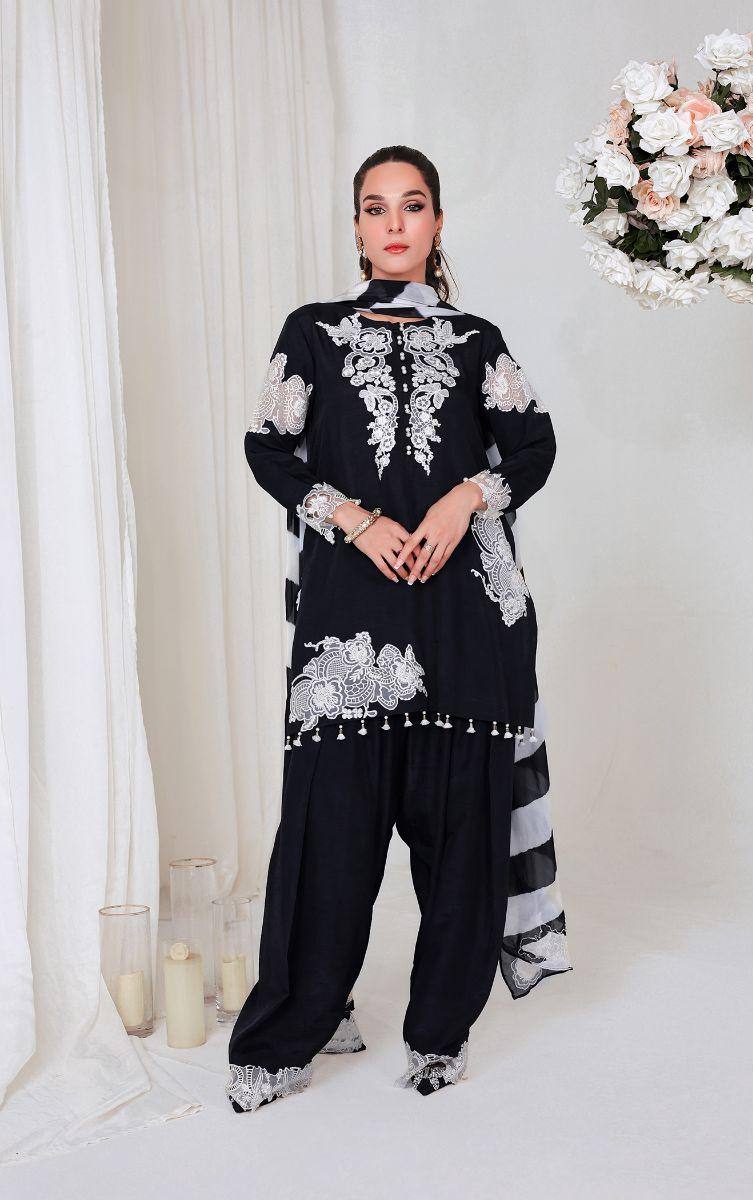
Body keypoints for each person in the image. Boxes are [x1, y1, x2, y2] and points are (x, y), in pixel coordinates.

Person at [226, 145, 572, 1112]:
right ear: (355, 226)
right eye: (375, 208)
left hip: (465, 617)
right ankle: (292, 1030)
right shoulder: (312, 332)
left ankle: (439, 1031)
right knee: (328, 831)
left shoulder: (477, 341)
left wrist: (467, 497)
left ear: (437, 223)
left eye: (411, 206)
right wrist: (352, 517)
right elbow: (269, 446)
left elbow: (534, 444)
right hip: (351, 617)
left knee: (461, 834)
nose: (393, 224)